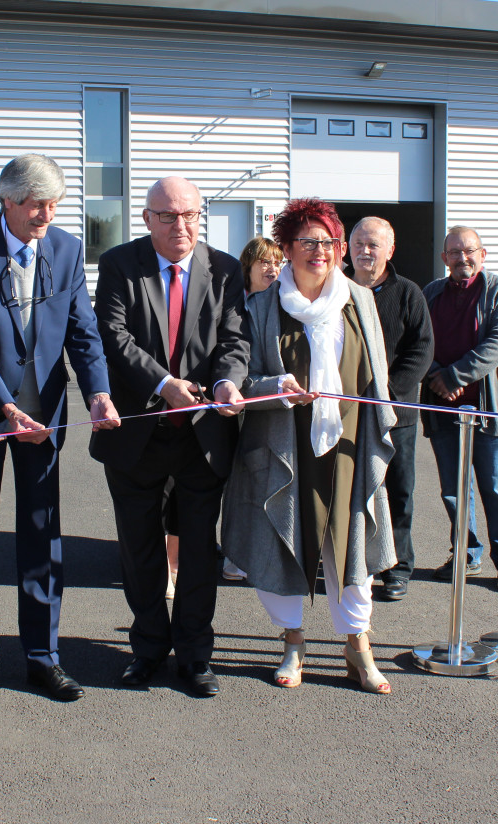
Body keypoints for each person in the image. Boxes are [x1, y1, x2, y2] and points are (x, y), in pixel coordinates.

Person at [0, 153, 120, 710]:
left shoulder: (66, 249)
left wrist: (97, 390)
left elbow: (83, 330)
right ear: (7, 201)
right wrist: (4, 405)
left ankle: (44, 658)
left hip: (44, 415)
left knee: (42, 536)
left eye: (53, 205)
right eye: (36, 204)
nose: (46, 214)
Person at [221, 198, 397, 694]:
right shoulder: (259, 307)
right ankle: (293, 642)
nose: (320, 251)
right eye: (308, 242)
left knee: (349, 542)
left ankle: (358, 647)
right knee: (285, 540)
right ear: (286, 248)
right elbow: (241, 378)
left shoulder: (358, 301)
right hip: (283, 444)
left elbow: (376, 373)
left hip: (347, 444)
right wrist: (273, 389)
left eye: (328, 242)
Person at [91, 177, 249, 698]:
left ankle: (196, 655)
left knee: (201, 550)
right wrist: (164, 384)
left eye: (190, 215)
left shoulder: (225, 269)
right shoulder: (119, 265)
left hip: (201, 436)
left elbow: (234, 339)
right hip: (138, 433)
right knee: (140, 552)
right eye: (168, 216)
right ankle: (148, 649)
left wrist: (228, 381)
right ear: (147, 218)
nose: (180, 226)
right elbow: (113, 336)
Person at [422, 226, 498, 592]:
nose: (461, 258)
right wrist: (437, 377)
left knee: (496, 486)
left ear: (483, 254)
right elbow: (417, 341)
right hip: (441, 407)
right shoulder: (431, 293)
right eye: (454, 252)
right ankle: (466, 553)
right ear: (444, 257)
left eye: (469, 251)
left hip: (487, 407)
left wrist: (454, 376)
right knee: (453, 488)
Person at [346, 217, 433, 602]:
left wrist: (388, 393)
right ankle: (348, 561)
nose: (366, 251)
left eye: (374, 244)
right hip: (345, 412)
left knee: (398, 490)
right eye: (359, 243)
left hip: (396, 414)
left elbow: (421, 349)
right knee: (348, 489)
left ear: (390, 251)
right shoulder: (336, 289)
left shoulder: (408, 293)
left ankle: (398, 567)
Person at [217, 235, 285, 583]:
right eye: (265, 262)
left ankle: (247, 550)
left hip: (263, 405)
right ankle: (232, 551)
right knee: (233, 482)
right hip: (229, 402)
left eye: (277, 262)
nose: (272, 268)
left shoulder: (282, 302)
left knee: (257, 482)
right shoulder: (235, 302)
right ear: (248, 267)